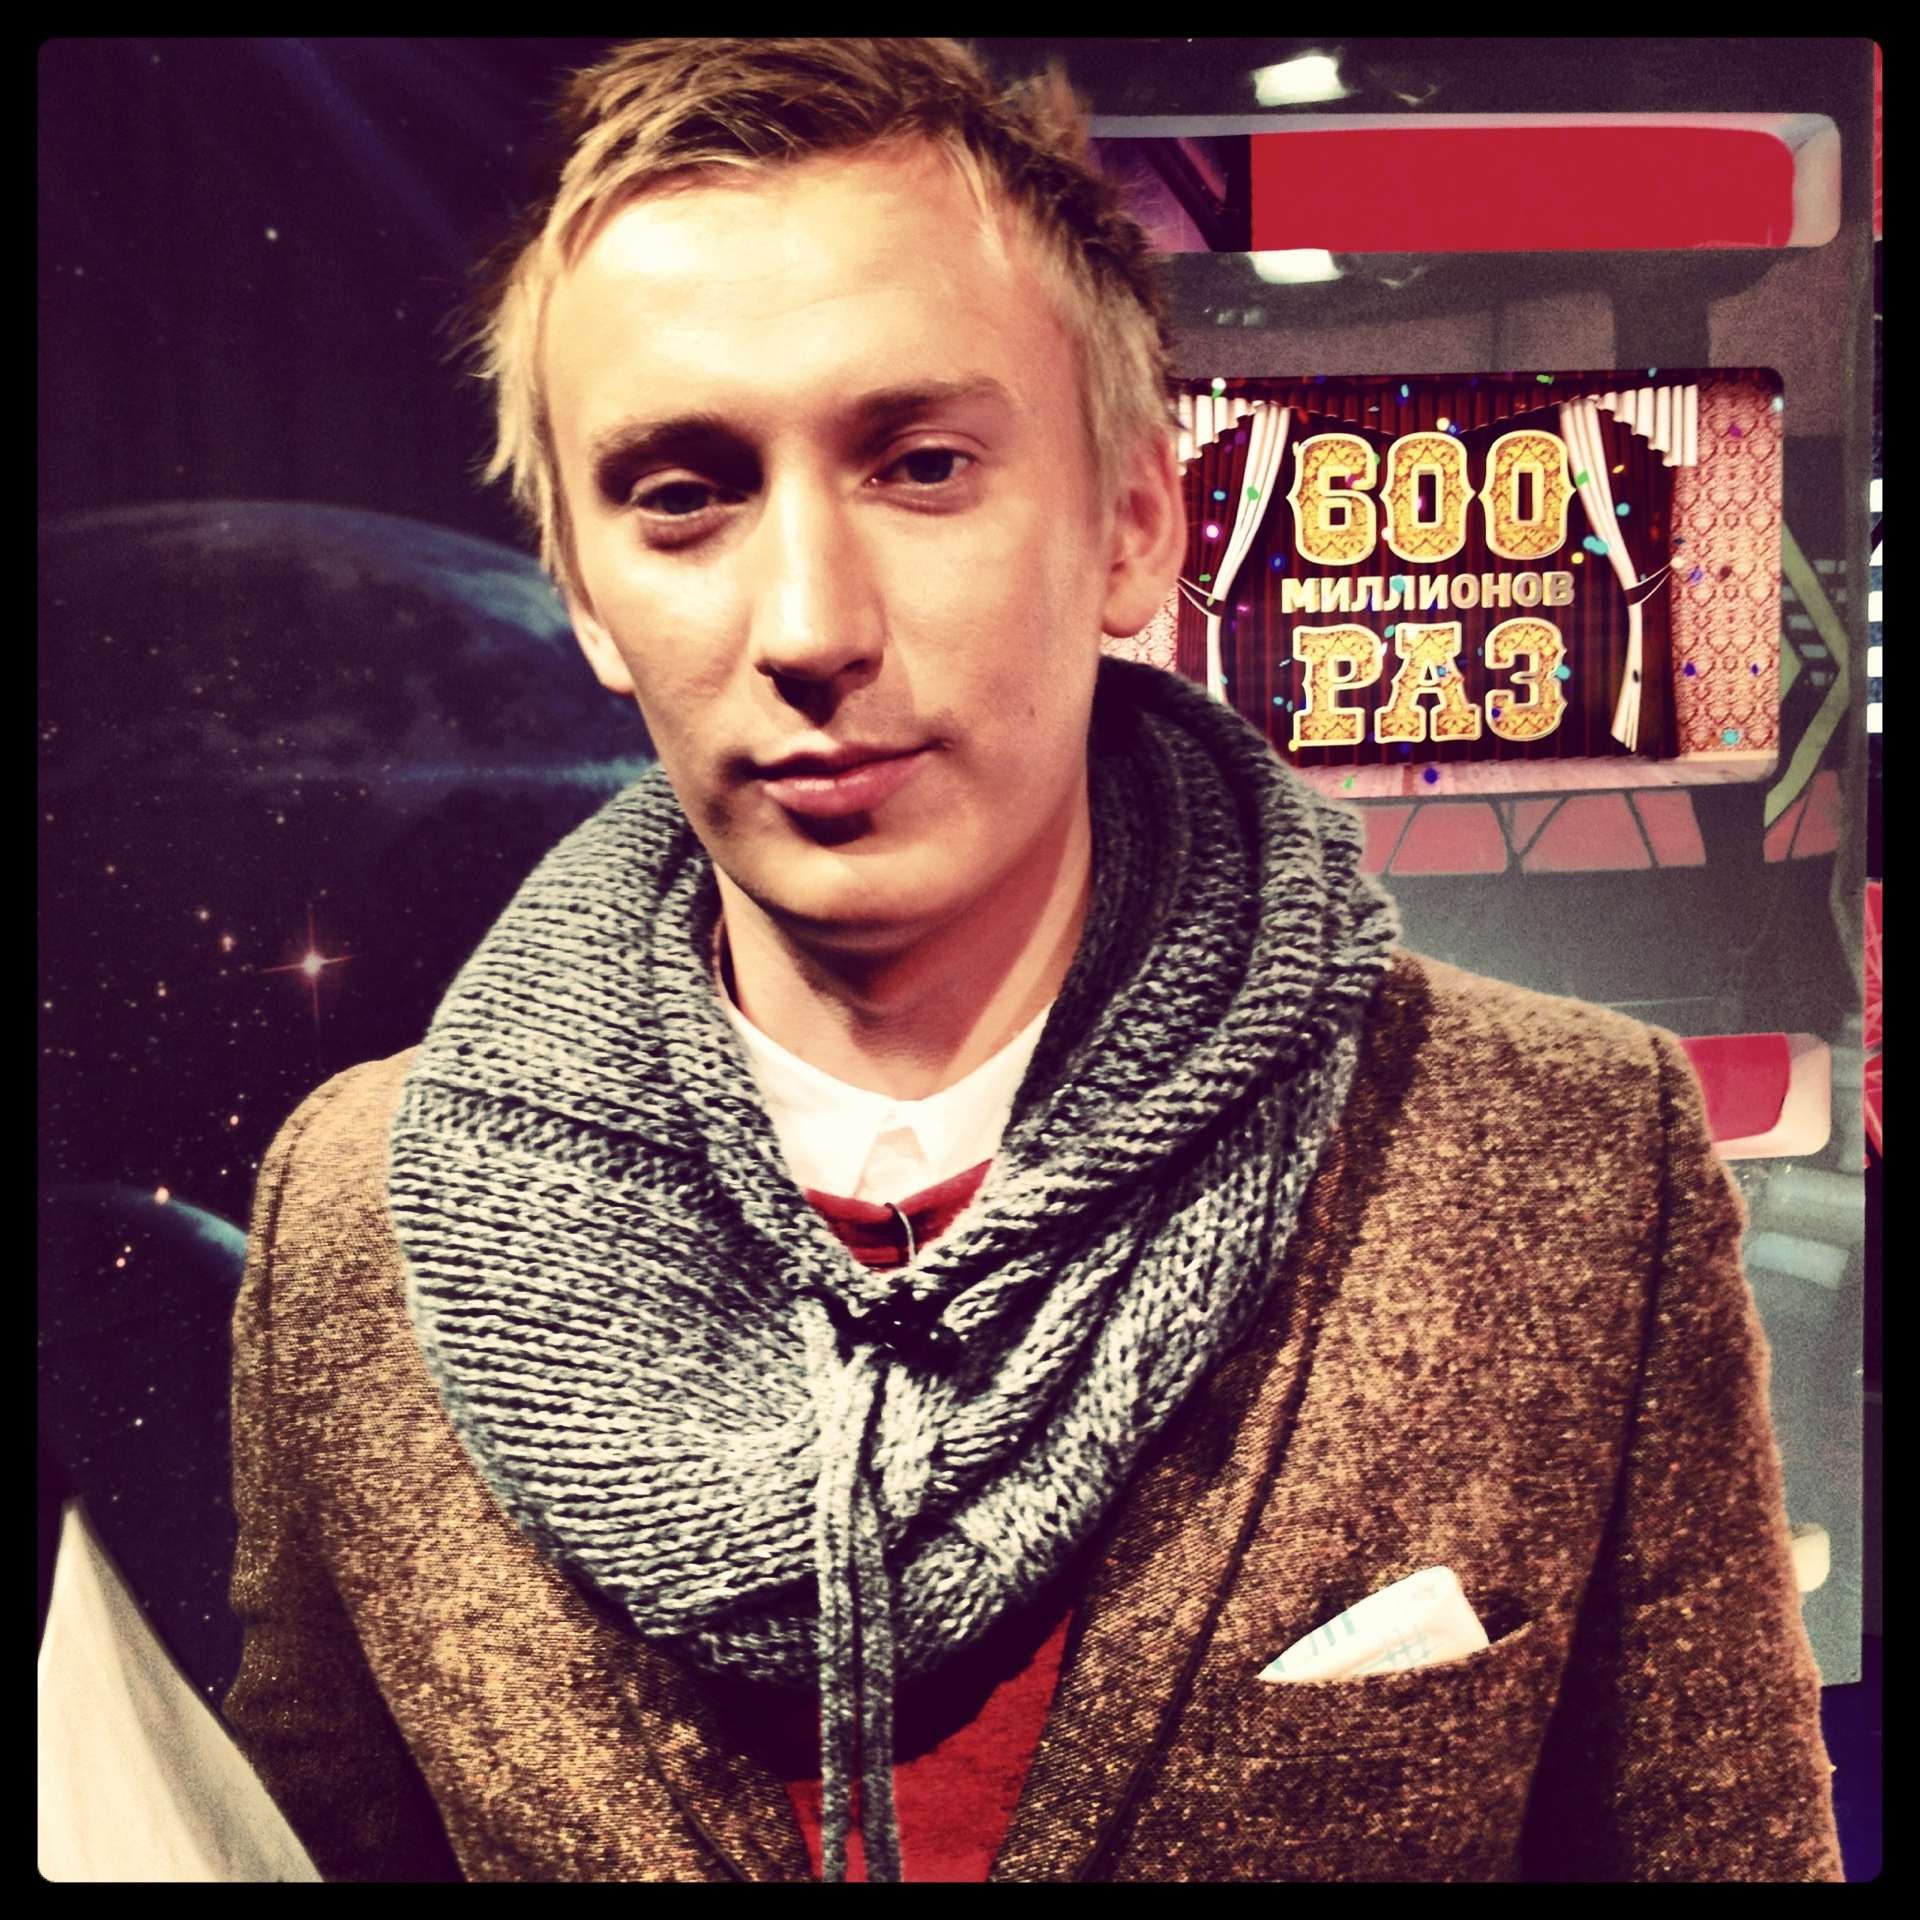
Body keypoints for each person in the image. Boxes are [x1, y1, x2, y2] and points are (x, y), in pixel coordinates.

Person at [221, 38, 1845, 1883]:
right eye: (681, 494)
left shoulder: (1560, 1159)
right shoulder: (358, 1230)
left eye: (922, 466)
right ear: (583, 589)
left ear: (1135, 522)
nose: (810, 625)